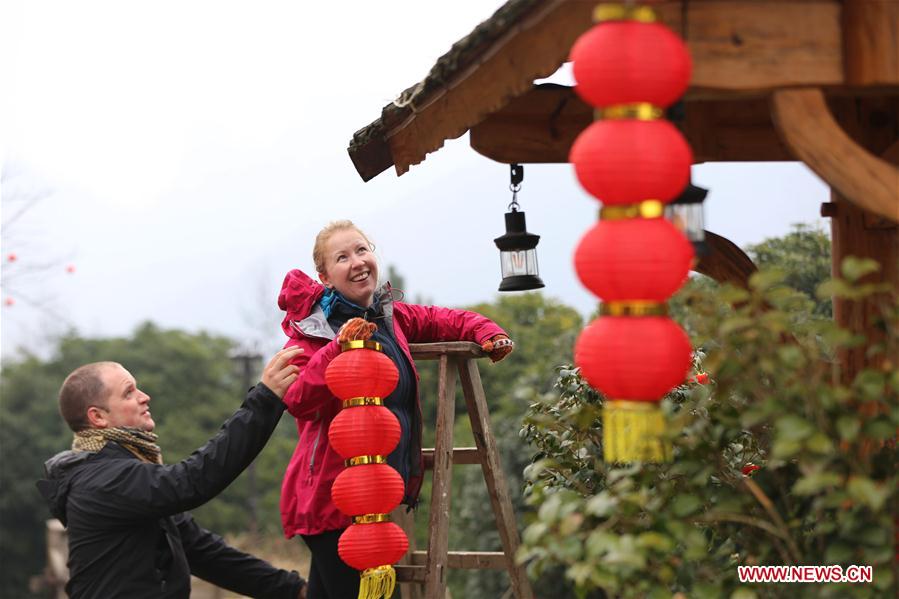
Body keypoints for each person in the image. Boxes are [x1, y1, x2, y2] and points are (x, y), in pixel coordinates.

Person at [276, 220, 514, 598]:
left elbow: (444, 319)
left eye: (361, 250)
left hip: (371, 497)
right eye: (342, 257)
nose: (357, 262)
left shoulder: (390, 317)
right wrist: (339, 347)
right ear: (324, 277)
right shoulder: (312, 331)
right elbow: (298, 400)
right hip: (330, 501)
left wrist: (487, 332)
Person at [37, 347, 309, 599]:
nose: (144, 397)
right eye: (128, 392)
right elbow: (193, 480)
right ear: (98, 417)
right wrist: (264, 399)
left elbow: (203, 552)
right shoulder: (102, 479)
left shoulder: (120, 474)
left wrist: (296, 590)